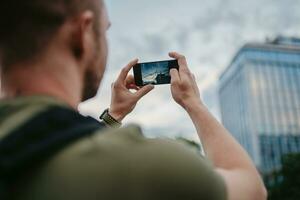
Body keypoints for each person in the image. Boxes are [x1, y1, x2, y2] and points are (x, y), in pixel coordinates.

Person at [0, 0, 267, 199]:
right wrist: (192, 102)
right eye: (104, 31)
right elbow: (250, 188)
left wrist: (113, 115)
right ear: (82, 34)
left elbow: (49, 143)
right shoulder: (142, 167)